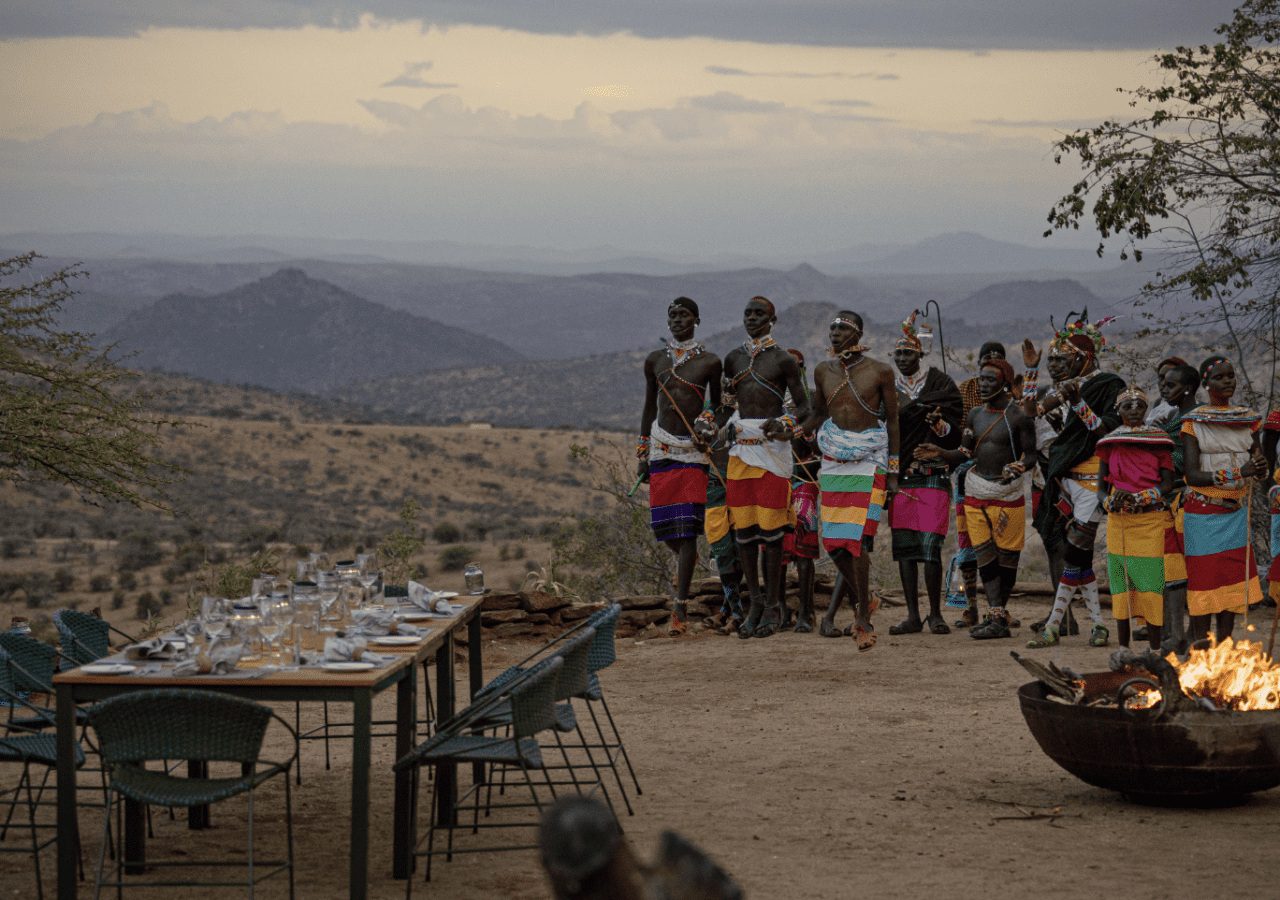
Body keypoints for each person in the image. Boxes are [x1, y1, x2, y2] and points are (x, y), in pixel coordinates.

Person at [918, 357, 1035, 639]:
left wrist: (1016, 467)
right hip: (976, 492)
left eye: (990, 380)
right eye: (981, 379)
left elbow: (1030, 456)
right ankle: (995, 616)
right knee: (985, 557)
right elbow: (966, 453)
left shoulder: (1018, 417)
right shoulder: (974, 416)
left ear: (1006, 384)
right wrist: (941, 452)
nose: (983, 385)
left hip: (1007, 495)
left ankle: (998, 616)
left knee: (1007, 559)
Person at [1027, 313, 1124, 649]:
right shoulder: (1061, 388)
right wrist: (1030, 371)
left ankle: (1054, 626)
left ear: (1085, 358)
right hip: (1062, 481)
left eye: (1066, 359)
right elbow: (1029, 412)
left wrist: (1078, 401)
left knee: (1074, 553)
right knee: (1077, 557)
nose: (1060, 365)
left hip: (1094, 482)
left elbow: (1103, 429)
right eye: (1056, 360)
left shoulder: (1109, 385)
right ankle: (1097, 625)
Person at [715, 296, 809, 638]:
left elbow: (805, 408)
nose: (752, 318)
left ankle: (772, 606)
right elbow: (724, 407)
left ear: (773, 319)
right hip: (740, 454)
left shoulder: (783, 360)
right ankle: (753, 604)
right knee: (743, 534)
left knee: (771, 536)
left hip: (772, 454)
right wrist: (711, 423)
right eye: (748, 312)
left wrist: (788, 428)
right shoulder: (733, 359)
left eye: (759, 314)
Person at [806, 310, 900, 649]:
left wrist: (893, 472)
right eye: (831, 327)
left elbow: (892, 423)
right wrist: (791, 429)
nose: (835, 333)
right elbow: (818, 414)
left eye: (842, 328)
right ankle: (867, 596)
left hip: (870, 461)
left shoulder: (880, 372)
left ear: (858, 333)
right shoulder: (822, 371)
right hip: (834, 462)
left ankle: (862, 616)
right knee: (833, 543)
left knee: (856, 539)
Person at [638, 297, 722, 636]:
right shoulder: (655, 360)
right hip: (661, 447)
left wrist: (706, 423)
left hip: (692, 452)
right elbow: (648, 407)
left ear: (697, 319)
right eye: (672, 315)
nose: (677, 320)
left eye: (684, 315)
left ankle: (680, 608)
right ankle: (688, 563)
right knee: (663, 526)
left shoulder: (710, 362)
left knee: (687, 529)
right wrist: (642, 454)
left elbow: (718, 405)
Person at [885, 311, 964, 636]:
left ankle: (936, 614)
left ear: (921, 354)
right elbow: (884, 432)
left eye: (908, 352)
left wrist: (938, 424)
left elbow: (955, 432)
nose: (903, 358)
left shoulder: (940, 385)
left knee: (931, 544)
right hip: (901, 474)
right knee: (905, 546)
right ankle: (913, 616)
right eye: (898, 353)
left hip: (933, 473)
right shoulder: (888, 388)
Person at [1180, 355, 1267, 643]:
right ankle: (1200, 650)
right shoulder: (1193, 423)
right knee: (1204, 584)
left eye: (1230, 375)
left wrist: (1261, 468)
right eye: (1219, 377)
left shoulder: (1247, 421)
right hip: (1202, 514)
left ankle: (1224, 650)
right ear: (1206, 384)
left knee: (1231, 587)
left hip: (1235, 514)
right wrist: (1237, 472)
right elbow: (1193, 476)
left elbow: (1258, 461)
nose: (1227, 381)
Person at [1095, 385, 1176, 650]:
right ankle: (1123, 649)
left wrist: (1141, 497)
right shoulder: (1110, 443)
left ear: (1146, 409)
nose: (1133, 410)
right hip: (1119, 522)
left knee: (1151, 586)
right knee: (1120, 585)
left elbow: (1167, 484)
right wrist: (1110, 502)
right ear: (1117, 411)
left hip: (1149, 522)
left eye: (1139, 405)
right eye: (1126, 406)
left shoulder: (1159, 442)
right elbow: (1100, 489)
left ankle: (1154, 650)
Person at [951, 341, 1016, 627]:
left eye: (997, 360)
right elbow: (960, 431)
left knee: (1003, 546)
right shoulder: (966, 389)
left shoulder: (1014, 400)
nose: (990, 363)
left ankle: (1000, 607)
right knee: (969, 542)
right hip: (968, 474)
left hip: (1003, 479)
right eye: (985, 360)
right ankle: (971, 606)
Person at [778, 350, 820, 633]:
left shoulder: (814, 401)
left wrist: (806, 432)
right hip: (777, 476)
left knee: (804, 547)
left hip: (805, 479)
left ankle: (806, 612)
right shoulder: (771, 401)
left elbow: (819, 447)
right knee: (776, 548)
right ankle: (780, 610)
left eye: (800, 367)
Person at [703, 384, 745, 634]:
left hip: (743, 482)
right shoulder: (711, 411)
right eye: (725, 378)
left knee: (741, 550)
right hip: (715, 485)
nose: (729, 384)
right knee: (721, 550)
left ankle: (732, 611)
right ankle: (735, 610)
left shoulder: (752, 408)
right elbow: (699, 433)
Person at [1143, 356, 1190, 425]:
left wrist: (1170, 428)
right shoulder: (1159, 403)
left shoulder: (1195, 409)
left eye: (1170, 377)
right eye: (1161, 378)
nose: (1163, 383)